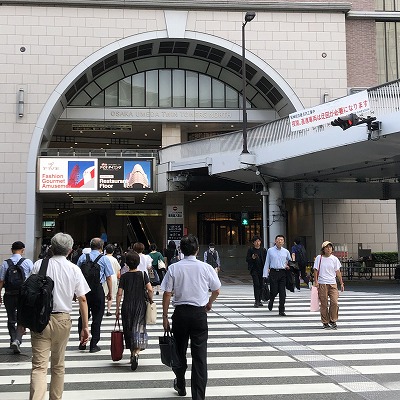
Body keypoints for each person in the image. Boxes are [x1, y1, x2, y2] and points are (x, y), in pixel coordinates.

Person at [29, 232, 90, 400]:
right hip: (63, 319)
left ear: (52, 247)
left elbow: (30, 293)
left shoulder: (38, 265)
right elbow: (82, 298)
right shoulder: (73, 269)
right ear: (70, 250)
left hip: (40, 319)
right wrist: (85, 326)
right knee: (58, 365)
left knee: (39, 367)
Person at [161, 234, 221, 400]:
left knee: (179, 351)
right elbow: (216, 290)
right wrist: (209, 303)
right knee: (200, 357)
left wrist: (165, 316)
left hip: (180, 314)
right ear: (197, 250)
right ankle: (198, 396)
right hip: (199, 314)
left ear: (181, 250)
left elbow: (166, 293)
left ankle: (180, 383)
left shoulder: (174, 268)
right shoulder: (206, 267)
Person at [115, 251, 153, 371]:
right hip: (140, 305)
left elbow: (119, 293)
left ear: (126, 263)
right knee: (139, 327)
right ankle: (136, 353)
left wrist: (117, 308)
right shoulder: (142, 274)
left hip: (127, 305)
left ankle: (132, 353)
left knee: (129, 328)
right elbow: (150, 289)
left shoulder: (124, 276)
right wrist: (150, 300)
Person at [76, 237, 114, 353]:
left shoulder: (83, 257)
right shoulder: (104, 259)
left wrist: (75, 292)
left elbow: (77, 275)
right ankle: (94, 344)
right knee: (97, 317)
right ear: (101, 247)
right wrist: (110, 292)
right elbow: (108, 277)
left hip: (84, 290)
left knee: (83, 316)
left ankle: (82, 341)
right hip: (98, 290)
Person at [0, 241, 34, 353]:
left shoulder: (5, 263)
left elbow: (1, 281)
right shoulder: (27, 262)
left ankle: (12, 339)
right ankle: (18, 340)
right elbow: (33, 278)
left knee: (11, 318)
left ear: (11, 250)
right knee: (21, 318)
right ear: (23, 250)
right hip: (22, 295)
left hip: (9, 294)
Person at [314, 241, 345, 329]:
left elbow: (337, 271)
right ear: (323, 249)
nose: (329, 249)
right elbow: (315, 270)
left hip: (332, 283)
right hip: (322, 283)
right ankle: (325, 322)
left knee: (334, 302)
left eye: (330, 247)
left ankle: (333, 320)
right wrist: (316, 281)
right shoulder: (319, 258)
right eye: (327, 247)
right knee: (324, 304)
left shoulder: (334, 259)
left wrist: (341, 283)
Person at [263, 235, 292, 316]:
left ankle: (281, 309)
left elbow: (290, 261)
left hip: (283, 273)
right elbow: (267, 262)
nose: (280, 241)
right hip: (273, 272)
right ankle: (271, 300)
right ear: (275, 241)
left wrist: (289, 265)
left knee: (282, 293)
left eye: (281, 240)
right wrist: (265, 275)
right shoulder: (270, 250)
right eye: (278, 240)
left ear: (284, 242)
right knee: (274, 291)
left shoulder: (286, 251)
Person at [246, 235, 267, 308]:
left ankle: (260, 299)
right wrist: (252, 258)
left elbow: (266, 260)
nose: (257, 243)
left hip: (262, 269)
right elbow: (247, 260)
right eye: (256, 241)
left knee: (261, 285)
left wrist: (267, 268)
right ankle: (256, 300)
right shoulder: (251, 250)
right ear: (253, 243)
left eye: (259, 241)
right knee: (256, 284)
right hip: (254, 269)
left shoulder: (263, 250)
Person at [103, 244, 121, 316]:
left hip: (104, 278)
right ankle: (108, 310)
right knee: (111, 294)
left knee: (103, 294)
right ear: (113, 251)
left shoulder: (103, 258)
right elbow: (118, 271)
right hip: (113, 278)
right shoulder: (114, 259)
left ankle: (102, 309)